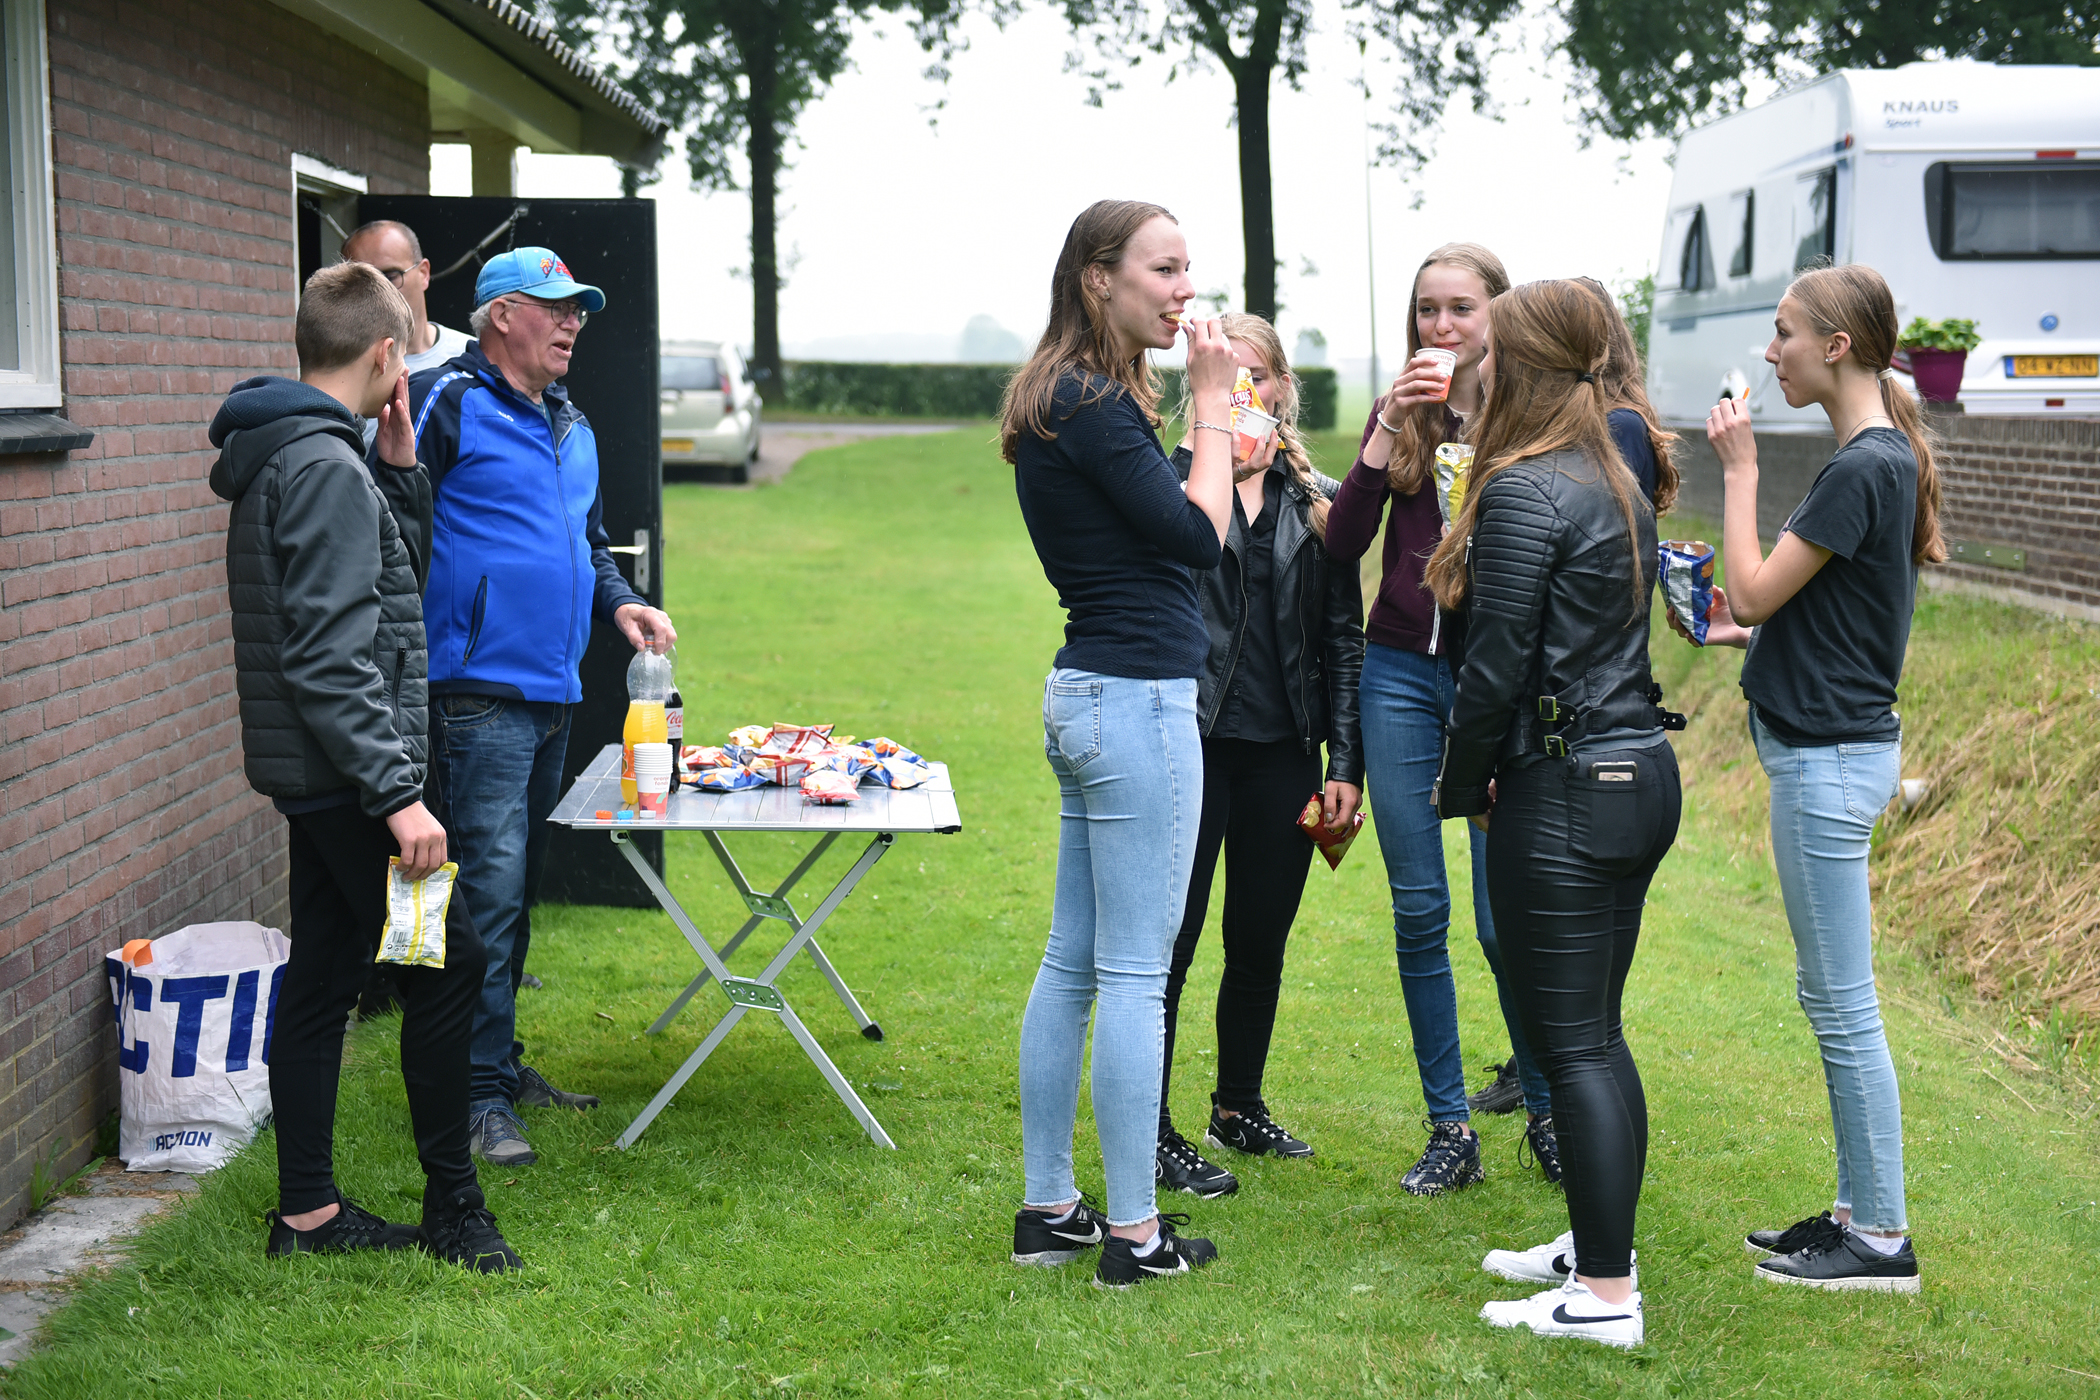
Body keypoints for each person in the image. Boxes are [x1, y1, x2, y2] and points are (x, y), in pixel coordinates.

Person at [209, 261, 520, 1271]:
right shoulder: (323, 469)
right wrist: (398, 796)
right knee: (448, 963)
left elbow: (377, 595)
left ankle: (307, 1214)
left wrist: (398, 476)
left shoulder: (298, 452)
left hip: (319, 768)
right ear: (389, 355)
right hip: (355, 777)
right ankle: (455, 1209)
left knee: (325, 975)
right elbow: (329, 655)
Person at [1671, 262, 1941, 1294]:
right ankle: (1850, 1207)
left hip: (1829, 764)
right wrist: (1746, 628)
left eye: (1784, 333)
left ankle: (1878, 1236)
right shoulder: (1878, 459)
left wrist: (1737, 471)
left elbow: (1751, 578)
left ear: (1836, 345)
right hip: (1829, 751)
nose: (1771, 349)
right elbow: (1809, 608)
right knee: (1827, 992)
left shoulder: (1860, 466)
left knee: (1842, 1001)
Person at [1429, 278, 1682, 1349]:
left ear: (1517, 362)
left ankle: (1606, 1297)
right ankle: (1595, 1247)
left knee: (1572, 1042)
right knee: (1598, 1034)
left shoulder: (1531, 487)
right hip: (1636, 770)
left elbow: (1493, 668)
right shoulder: (1617, 473)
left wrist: (1459, 784)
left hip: (1571, 781)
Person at [1003, 199, 1236, 1287]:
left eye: (1189, 268)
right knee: (1135, 975)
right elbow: (1197, 537)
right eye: (1164, 268)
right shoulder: (1091, 401)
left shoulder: (1065, 393)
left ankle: (1050, 1206)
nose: (1184, 288)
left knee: (1073, 963)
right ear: (1099, 277)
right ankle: (1137, 1235)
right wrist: (1219, 411)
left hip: (1088, 692)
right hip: (1137, 699)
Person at [405, 246, 679, 1169]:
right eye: (555, 307)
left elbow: (589, 543)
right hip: (476, 696)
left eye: (580, 310)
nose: (573, 323)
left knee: (515, 895)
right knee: (480, 895)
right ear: (499, 317)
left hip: (557, 695)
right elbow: (392, 517)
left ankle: (499, 1064)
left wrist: (620, 602)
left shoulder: (574, 423)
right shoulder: (448, 401)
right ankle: (474, 1094)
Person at [1325, 243, 1561, 1194]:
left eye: (1461, 308)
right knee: (1420, 911)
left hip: (1488, 688)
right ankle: (1450, 1128)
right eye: (1428, 309)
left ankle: (1546, 1109)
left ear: (1499, 315)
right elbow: (1341, 544)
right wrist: (1388, 427)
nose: (1441, 327)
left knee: (1507, 921)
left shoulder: (1528, 421)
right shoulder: (1407, 423)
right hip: (1395, 680)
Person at [1152, 313, 1365, 1200]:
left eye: (1260, 377)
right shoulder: (1169, 485)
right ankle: (1152, 1125)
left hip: (1285, 754)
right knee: (1171, 941)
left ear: (1282, 390)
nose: (1245, 391)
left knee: (1260, 941)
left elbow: (1344, 638)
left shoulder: (1320, 506)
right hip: (1188, 745)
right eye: (1226, 376)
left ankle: (1236, 1106)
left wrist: (1345, 760)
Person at [343, 220, 474, 374]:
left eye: (390, 277)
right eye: (363, 283)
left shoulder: (472, 356)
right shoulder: (343, 370)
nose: (379, 291)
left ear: (423, 274)